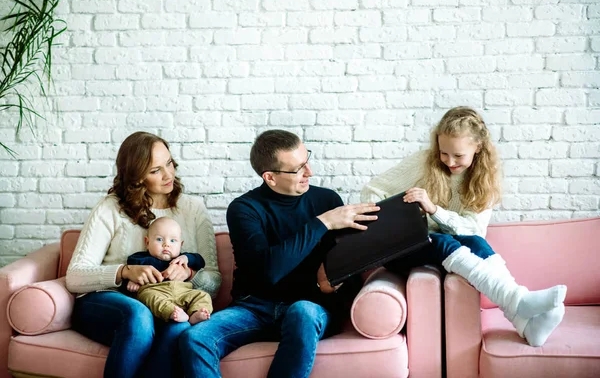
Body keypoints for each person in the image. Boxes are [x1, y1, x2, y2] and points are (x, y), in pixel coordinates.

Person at [179, 129, 380, 378]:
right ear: (270, 177)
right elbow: (269, 271)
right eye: (298, 169)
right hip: (254, 308)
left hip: (310, 307)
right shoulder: (244, 209)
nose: (310, 172)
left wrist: (335, 286)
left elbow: (346, 267)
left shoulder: (327, 200)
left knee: (302, 312)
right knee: (195, 338)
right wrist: (322, 223)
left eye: (307, 160)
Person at [361, 106, 566, 347]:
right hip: (400, 249)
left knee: (476, 242)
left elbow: (474, 231)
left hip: (437, 248)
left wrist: (434, 210)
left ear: (477, 147)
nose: (449, 161)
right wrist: (393, 219)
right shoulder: (423, 162)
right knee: (440, 240)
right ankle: (519, 301)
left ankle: (525, 324)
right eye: (444, 153)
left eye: (458, 155)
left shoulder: (484, 179)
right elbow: (372, 189)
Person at [66, 131, 221, 378]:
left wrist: (190, 274)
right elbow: (74, 277)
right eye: (155, 170)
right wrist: (124, 271)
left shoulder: (193, 209)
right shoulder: (111, 207)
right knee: (139, 315)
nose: (169, 174)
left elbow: (213, 281)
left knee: (179, 328)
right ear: (137, 178)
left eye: (169, 163)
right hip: (108, 303)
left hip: (168, 304)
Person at [125, 216, 212, 325]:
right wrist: (132, 280)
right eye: (159, 239)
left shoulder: (181, 259)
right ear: (147, 242)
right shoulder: (140, 259)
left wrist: (186, 258)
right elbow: (131, 271)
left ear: (181, 245)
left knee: (203, 295)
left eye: (173, 240)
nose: (166, 244)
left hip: (183, 292)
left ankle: (195, 314)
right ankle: (172, 312)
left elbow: (200, 261)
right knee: (150, 298)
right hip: (155, 290)